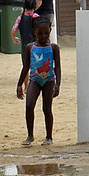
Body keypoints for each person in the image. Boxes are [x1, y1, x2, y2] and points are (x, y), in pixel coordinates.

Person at [16, 17, 61, 146]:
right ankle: (30, 135)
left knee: (47, 108)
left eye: (46, 33)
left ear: (50, 31)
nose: (43, 36)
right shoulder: (30, 47)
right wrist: (19, 84)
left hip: (49, 81)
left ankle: (49, 137)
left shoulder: (53, 48)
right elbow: (26, 67)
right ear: (34, 32)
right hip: (34, 80)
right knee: (29, 106)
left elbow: (57, 66)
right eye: (40, 33)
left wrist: (58, 84)